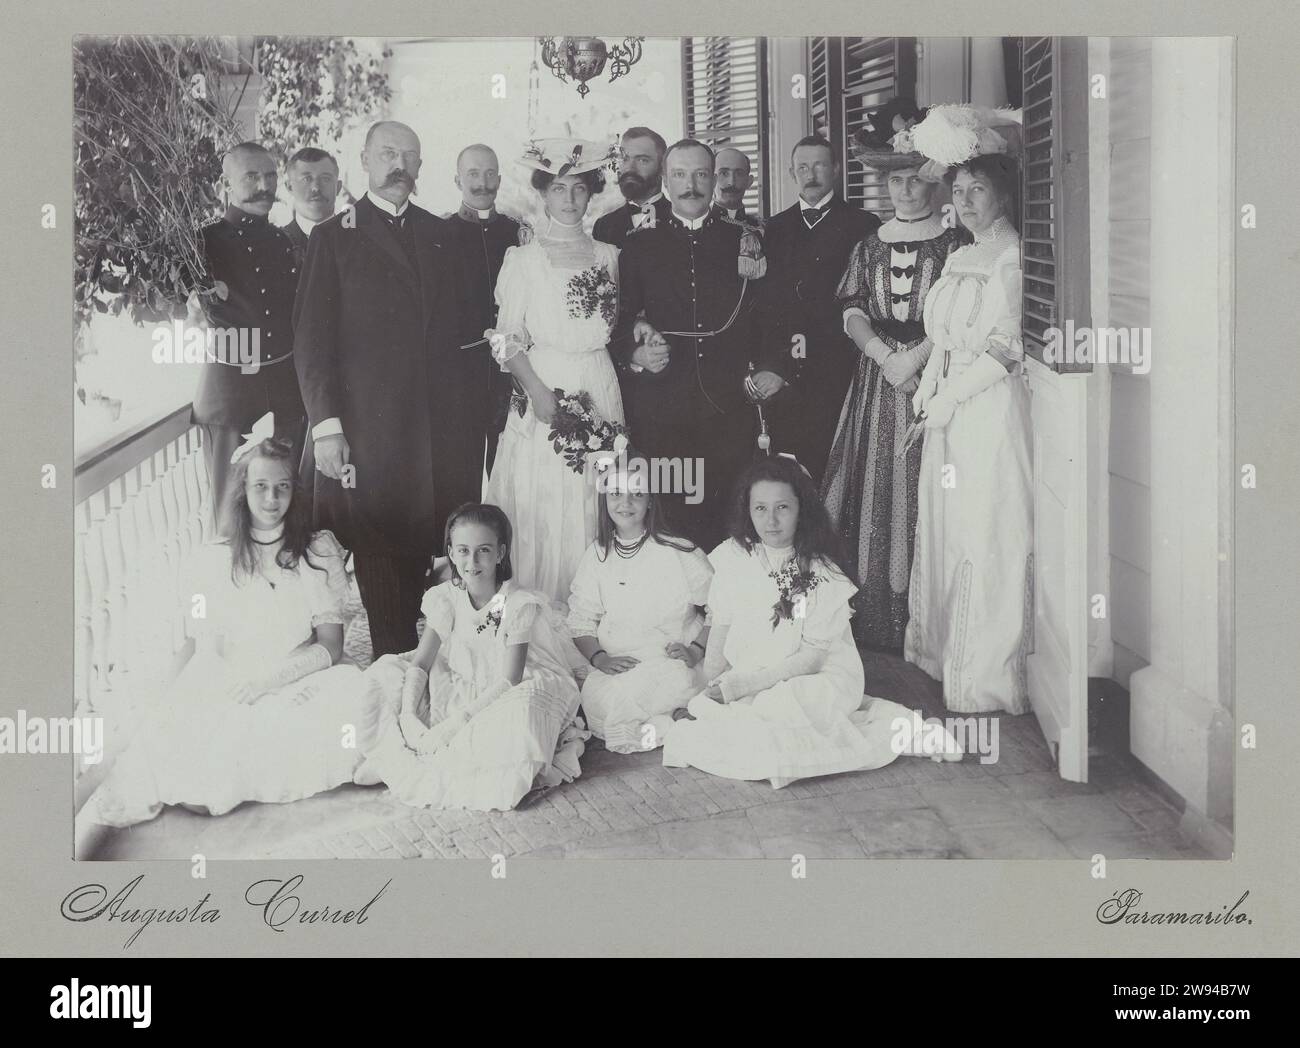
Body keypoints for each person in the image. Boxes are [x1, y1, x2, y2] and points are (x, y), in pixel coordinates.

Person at [75, 419, 365, 849]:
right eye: (261, 487)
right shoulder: (215, 561)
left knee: (350, 715)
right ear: (243, 491)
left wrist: (271, 682)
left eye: (282, 487)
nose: (271, 499)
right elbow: (209, 646)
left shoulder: (315, 553)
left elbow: (332, 645)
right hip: (235, 672)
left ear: (294, 492)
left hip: (300, 672)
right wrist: (231, 689)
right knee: (194, 765)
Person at [663, 455, 958, 787]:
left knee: (781, 709)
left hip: (818, 672)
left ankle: (903, 733)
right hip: (756, 668)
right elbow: (722, 625)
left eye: (782, 508)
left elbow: (812, 658)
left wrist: (742, 686)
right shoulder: (732, 555)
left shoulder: (820, 571)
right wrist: (709, 689)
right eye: (760, 508)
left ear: (801, 509)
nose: (771, 520)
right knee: (734, 721)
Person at [293, 120, 473, 657]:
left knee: (439, 556)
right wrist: (327, 428)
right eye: (388, 153)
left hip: (440, 431)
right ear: (365, 161)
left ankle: (432, 676)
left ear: (421, 167)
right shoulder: (333, 236)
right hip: (370, 434)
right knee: (380, 555)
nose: (400, 164)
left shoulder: (443, 235)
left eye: (410, 156)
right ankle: (394, 674)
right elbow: (311, 343)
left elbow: (463, 333)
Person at [822, 102, 969, 650]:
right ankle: (872, 620)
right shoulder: (868, 245)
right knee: (871, 484)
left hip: (934, 377)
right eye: (897, 182)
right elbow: (852, 308)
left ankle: (924, 621)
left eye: (915, 181)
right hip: (876, 380)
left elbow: (959, 315)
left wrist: (918, 358)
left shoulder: (955, 245)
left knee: (922, 483)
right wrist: (886, 357)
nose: (906, 191)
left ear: (933, 187)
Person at [904, 105, 1033, 714]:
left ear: (1003, 192)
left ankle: (983, 677)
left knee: (983, 531)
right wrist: (929, 388)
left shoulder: (1013, 259)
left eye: (977, 189)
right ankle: (942, 658)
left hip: (986, 413)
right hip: (949, 416)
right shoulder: (961, 256)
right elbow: (946, 340)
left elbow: (1006, 348)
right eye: (958, 190)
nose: (965, 200)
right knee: (948, 529)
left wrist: (952, 397)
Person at [354, 504, 587, 811]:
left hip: (503, 691)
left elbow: (510, 679)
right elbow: (421, 662)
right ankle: (392, 754)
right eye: (463, 550)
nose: (472, 561)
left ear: (501, 553)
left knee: (523, 712)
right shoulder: (445, 598)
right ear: (450, 552)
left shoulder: (516, 604)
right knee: (382, 673)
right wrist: (409, 715)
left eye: (484, 550)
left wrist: (453, 726)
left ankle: (456, 761)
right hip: (457, 677)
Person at [482, 138, 623, 605]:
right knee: (544, 494)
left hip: (598, 382)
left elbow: (616, 326)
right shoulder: (524, 259)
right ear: (544, 193)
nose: (569, 200)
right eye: (559, 189)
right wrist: (538, 392)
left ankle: (590, 610)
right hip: (543, 384)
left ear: (591, 194)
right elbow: (504, 338)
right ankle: (538, 611)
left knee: (594, 495)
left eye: (579, 190)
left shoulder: (608, 256)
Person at [611, 138, 761, 551]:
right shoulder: (639, 245)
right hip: (662, 409)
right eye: (679, 175)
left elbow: (766, 318)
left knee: (730, 517)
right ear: (664, 180)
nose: (690, 185)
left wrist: (772, 368)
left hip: (729, 407)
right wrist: (637, 353)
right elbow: (617, 323)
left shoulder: (745, 241)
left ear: (714, 179)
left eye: (699, 174)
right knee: (670, 519)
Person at [751, 136, 880, 486]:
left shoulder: (864, 225)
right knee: (792, 469)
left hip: (842, 367)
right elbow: (765, 307)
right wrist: (774, 365)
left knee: (840, 467)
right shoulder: (772, 229)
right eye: (803, 167)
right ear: (792, 172)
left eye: (820, 165)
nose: (811, 174)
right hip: (787, 372)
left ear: (836, 170)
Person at [192, 142, 306, 538]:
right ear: (226, 184)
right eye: (251, 177)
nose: (264, 186)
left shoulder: (280, 241)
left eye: (271, 176)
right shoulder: (200, 244)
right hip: (231, 397)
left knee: (285, 515)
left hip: (284, 394)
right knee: (231, 518)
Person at [567, 460, 713, 753]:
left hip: (669, 662)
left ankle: (674, 718)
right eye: (616, 493)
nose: (626, 502)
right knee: (605, 703)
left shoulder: (678, 551)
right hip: (618, 665)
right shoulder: (597, 554)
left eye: (637, 493)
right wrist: (599, 659)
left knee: (660, 689)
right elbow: (581, 621)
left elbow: (722, 608)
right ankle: (674, 721)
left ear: (650, 500)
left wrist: (695, 650)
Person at [443, 143, 522, 476]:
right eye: (473, 174)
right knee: (460, 469)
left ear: (500, 180)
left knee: (509, 468)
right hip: (461, 374)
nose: (482, 182)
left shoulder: (516, 233)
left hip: (509, 372)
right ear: (457, 180)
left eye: (490, 174)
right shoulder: (440, 234)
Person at [592, 126, 673, 248]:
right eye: (625, 159)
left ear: (662, 168)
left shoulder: (682, 220)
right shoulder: (603, 226)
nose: (630, 168)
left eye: (642, 160)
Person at [279, 146, 342, 269]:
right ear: (289, 187)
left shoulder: (359, 242)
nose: (316, 187)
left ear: (338, 187)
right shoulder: (275, 245)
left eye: (325, 179)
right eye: (306, 179)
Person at [712, 146, 755, 221]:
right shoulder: (694, 229)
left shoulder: (762, 230)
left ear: (749, 181)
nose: (731, 182)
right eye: (724, 173)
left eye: (739, 174)